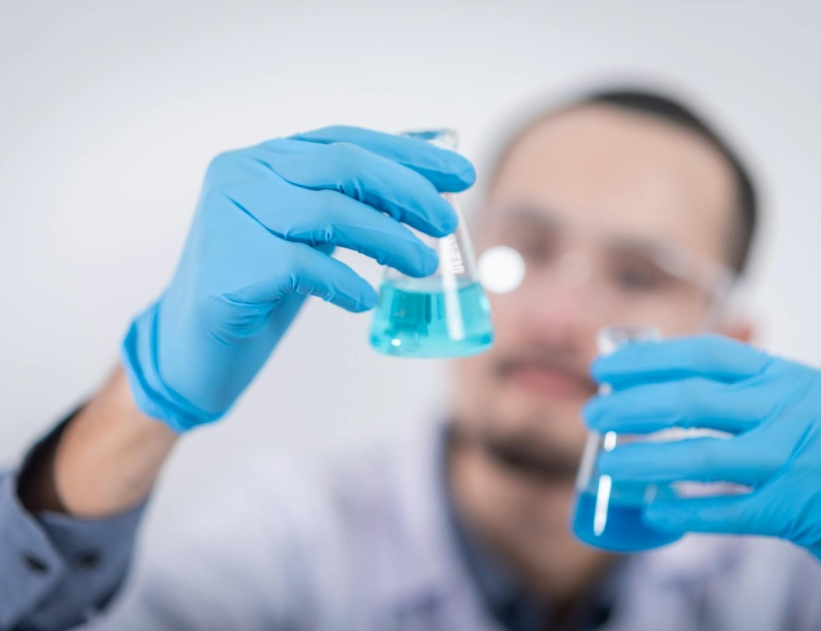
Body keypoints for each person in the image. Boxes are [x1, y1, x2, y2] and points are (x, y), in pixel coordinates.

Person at [3, 86, 821, 631]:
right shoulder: (291, 539)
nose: (558, 315)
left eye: (639, 274)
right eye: (526, 249)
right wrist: (142, 401)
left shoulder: (785, 575)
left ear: (732, 342)